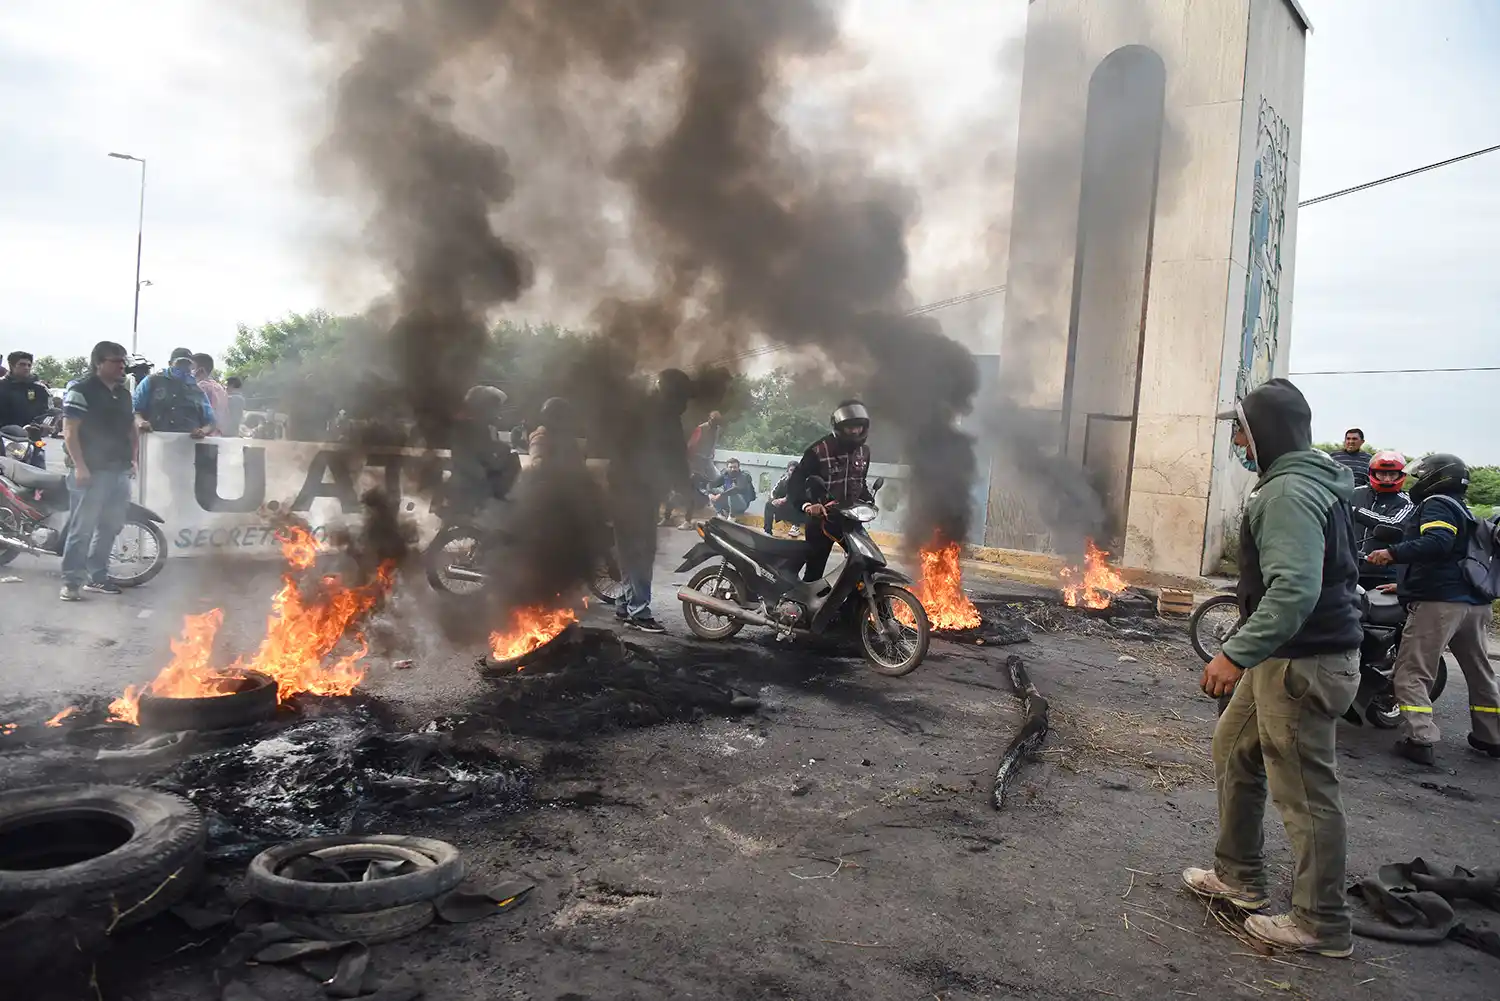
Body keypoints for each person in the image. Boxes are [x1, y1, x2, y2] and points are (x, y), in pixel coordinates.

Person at [1183, 378, 1363, 958]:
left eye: (1240, 428)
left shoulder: (1287, 493)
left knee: (1306, 792)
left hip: (1302, 664)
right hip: (1280, 658)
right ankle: (1238, 877)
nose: (1236, 440)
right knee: (1233, 747)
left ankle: (1321, 922)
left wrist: (1234, 652)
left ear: (1264, 431)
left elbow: (1293, 591)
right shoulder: (1303, 482)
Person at [1365, 453, 1500, 763]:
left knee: (1412, 672)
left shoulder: (1436, 504)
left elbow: (1438, 543)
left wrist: (1391, 553)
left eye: (1421, 475)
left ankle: (1420, 739)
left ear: (1438, 478)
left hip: (1441, 603)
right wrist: (1406, 585)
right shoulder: (1463, 509)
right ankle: (1491, 736)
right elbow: (1454, 556)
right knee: (1480, 672)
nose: (1417, 481)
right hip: (1473, 603)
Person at [610, 369, 693, 633]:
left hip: (621, 489)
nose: (685, 404)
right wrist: (687, 489)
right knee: (641, 553)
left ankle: (624, 605)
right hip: (637, 493)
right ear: (671, 393)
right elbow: (676, 460)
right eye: (682, 397)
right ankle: (639, 612)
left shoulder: (637, 410)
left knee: (628, 552)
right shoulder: (664, 418)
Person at [58, 342, 138, 600]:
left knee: (111, 525)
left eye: (123, 360)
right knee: (83, 528)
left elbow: (131, 428)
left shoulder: (124, 394)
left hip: (119, 470)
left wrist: (134, 459)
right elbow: (70, 431)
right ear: (99, 363)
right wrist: (80, 466)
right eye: (116, 361)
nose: (122, 365)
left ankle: (98, 576)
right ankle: (71, 582)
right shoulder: (81, 390)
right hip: (92, 471)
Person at [786, 401, 875, 582]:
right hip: (822, 522)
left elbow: (859, 481)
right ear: (839, 427)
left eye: (859, 426)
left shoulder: (864, 452)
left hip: (850, 521)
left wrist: (867, 500)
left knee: (866, 564)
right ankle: (807, 609)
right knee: (814, 572)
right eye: (850, 427)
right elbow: (795, 483)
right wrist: (808, 505)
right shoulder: (817, 451)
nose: (856, 431)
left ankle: (852, 609)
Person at [446, 385, 521, 519]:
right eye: (493, 407)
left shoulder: (471, 425)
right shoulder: (473, 427)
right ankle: (498, 496)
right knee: (512, 459)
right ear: (483, 408)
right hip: (472, 479)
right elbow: (480, 452)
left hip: (471, 476)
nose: (497, 412)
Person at [1349, 450, 1413, 587]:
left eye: (1392, 474)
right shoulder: (1353, 493)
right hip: (1347, 570)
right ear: (1373, 472)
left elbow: (1394, 524)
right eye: (1383, 474)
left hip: (1384, 575)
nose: (1387, 479)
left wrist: (1356, 511)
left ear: (1401, 474)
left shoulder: (1406, 502)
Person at [133, 348, 216, 437]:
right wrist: (141, 422)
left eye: (187, 365)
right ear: (170, 364)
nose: (183, 368)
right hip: (155, 443)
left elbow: (211, 422)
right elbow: (135, 411)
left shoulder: (197, 390)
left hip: (187, 445)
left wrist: (202, 431)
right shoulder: (151, 381)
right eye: (179, 364)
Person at [0, 352, 54, 445]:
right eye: (22, 364)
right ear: (11, 366)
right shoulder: (2, 386)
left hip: (32, 437)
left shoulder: (40, 388)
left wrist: (44, 425)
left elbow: (50, 411)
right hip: (4, 438)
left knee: (38, 457)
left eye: (29, 365)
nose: (26, 368)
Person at [763, 460, 805, 536]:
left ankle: (796, 527)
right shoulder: (783, 481)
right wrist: (774, 501)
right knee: (769, 504)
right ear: (788, 471)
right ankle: (767, 530)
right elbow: (773, 492)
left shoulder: (803, 482)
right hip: (785, 509)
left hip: (798, 512)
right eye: (791, 470)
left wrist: (785, 499)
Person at [192, 354, 230, 435]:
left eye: (192, 368)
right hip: (219, 435)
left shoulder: (201, 387)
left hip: (203, 436)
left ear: (201, 370)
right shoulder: (220, 388)